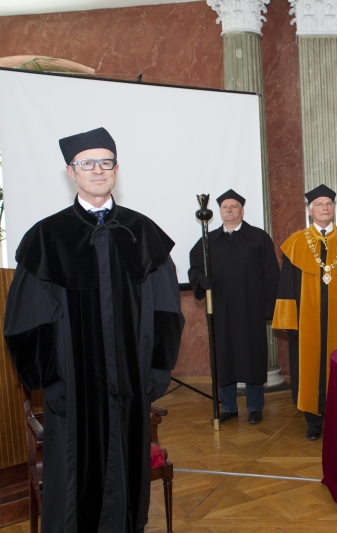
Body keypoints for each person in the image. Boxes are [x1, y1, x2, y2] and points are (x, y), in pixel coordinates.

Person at [4, 127, 184, 533]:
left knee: (127, 478)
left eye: (106, 162)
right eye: (88, 163)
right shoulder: (46, 237)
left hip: (130, 386)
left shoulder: (142, 232)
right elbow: (26, 322)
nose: (98, 170)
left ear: (117, 169)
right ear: (72, 171)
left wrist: (155, 372)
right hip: (73, 390)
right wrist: (49, 380)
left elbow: (166, 312)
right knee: (73, 492)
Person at [272, 184, 337, 441]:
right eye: (319, 204)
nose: (324, 208)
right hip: (306, 321)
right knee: (308, 366)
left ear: (334, 209)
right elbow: (286, 287)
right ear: (310, 210)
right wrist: (288, 321)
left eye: (328, 204)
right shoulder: (295, 243)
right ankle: (313, 421)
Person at [188, 189, 280, 424]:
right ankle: (228, 407)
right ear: (219, 212)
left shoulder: (258, 238)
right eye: (225, 207)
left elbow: (272, 275)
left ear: (242, 210)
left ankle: (255, 407)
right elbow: (195, 266)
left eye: (234, 206)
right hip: (221, 309)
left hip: (251, 309)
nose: (229, 210)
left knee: (252, 357)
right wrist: (201, 280)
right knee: (224, 357)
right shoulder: (209, 240)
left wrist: (269, 309)